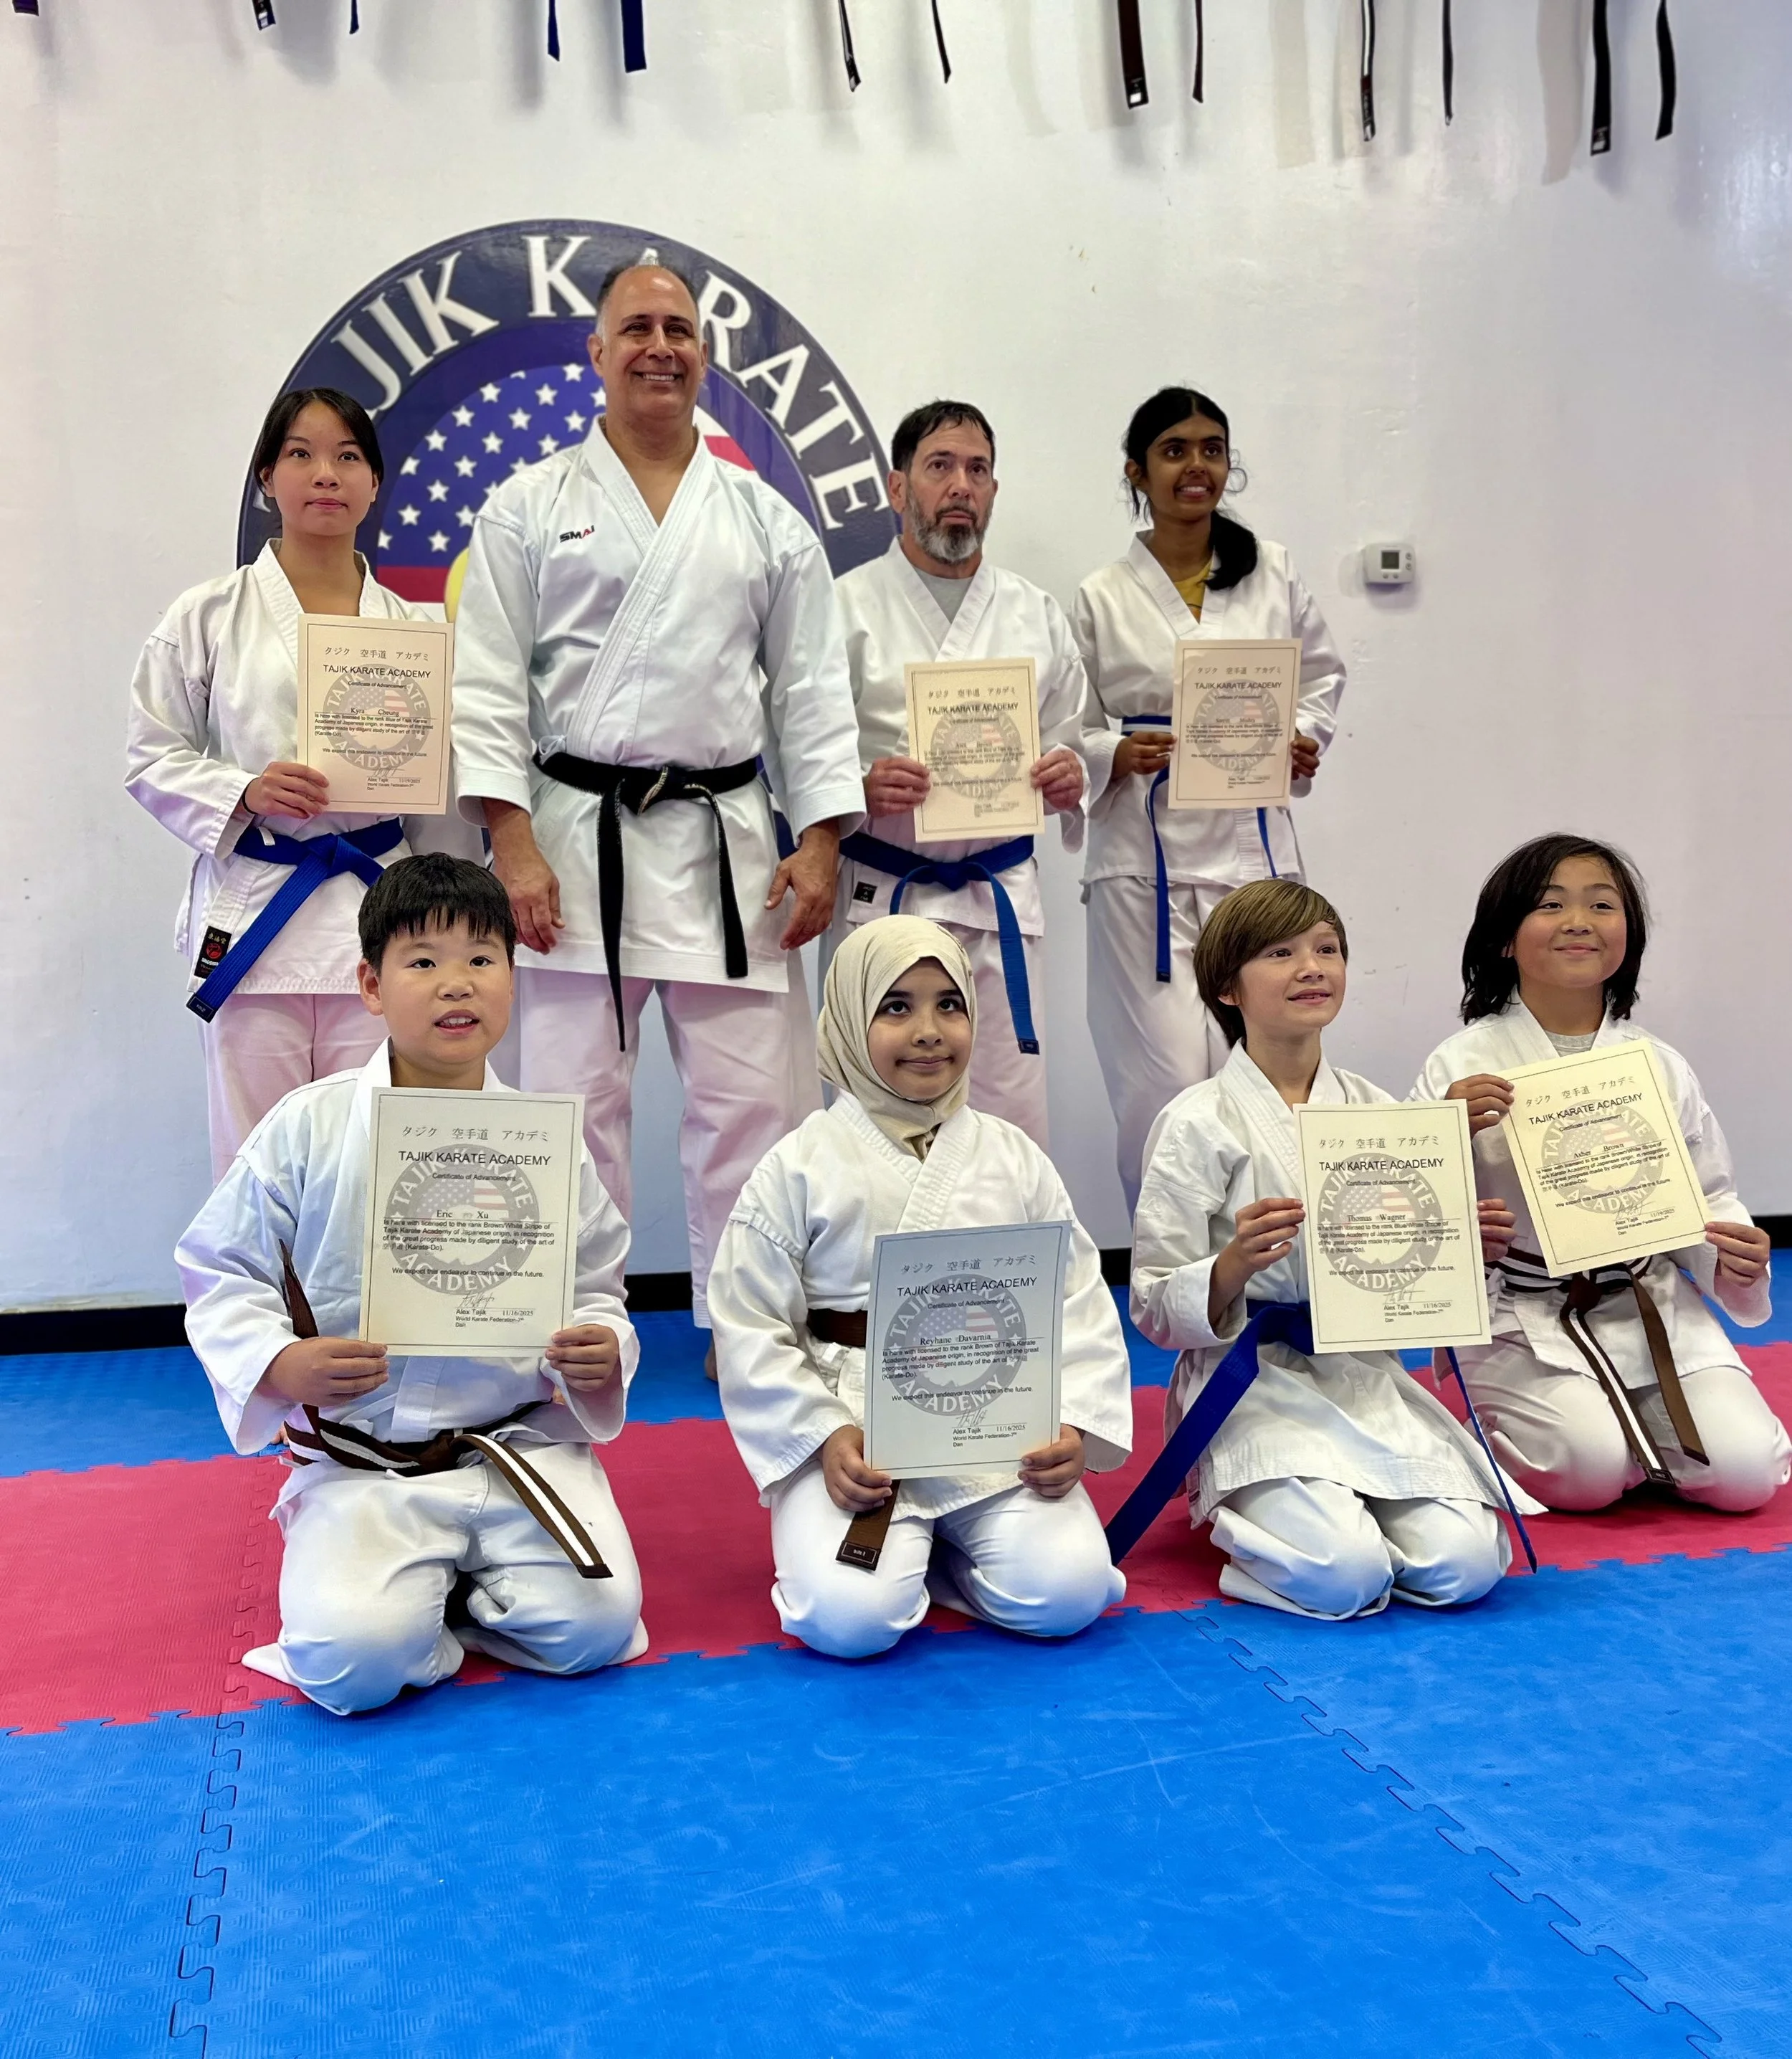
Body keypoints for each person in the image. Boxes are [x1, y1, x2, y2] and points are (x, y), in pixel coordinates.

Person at [449, 261, 864, 1342]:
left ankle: (756, 1339)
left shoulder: (764, 519)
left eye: (679, 329)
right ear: (597, 354)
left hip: (726, 853)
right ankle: (572, 1332)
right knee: (570, 1115)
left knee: (756, 1115)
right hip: (573, 849)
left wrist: (819, 845)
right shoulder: (528, 506)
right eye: (635, 327)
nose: (659, 346)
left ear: (706, 358)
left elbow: (815, 690)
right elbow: (487, 680)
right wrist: (512, 842)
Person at [177, 854, 647, 1716]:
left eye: (481, 958)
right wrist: (281, 1364)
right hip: (365, 1466)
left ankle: (447, 1594)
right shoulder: (307, 1126)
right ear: (369, 984)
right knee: (349, 1665)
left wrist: (599, 1348)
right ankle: (411, 1608)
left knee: (599, 1630)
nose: (454, 984)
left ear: (512, 978)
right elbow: (220, 1266)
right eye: (422, 961)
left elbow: (596, 1286)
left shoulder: (544, 1140)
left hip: (513, 1452)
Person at [707, 915, 1133, 1660]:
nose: (929, 1030)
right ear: (845, 1019)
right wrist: (821, 1436)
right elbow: (749, 1321)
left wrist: (1073, 1421)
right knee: (848, 1621)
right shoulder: (799, 1163)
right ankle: (877, 1552)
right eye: (896, 1007)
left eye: (949, 1004)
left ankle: (946, 1565)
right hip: (857, 1424)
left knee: (1069, 1593)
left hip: (993, 1411)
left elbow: (1077, 1300)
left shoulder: (1014, 1156)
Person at [1131, 880, 1514, 1620]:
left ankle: (1352, 1518)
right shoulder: (1195, 1122)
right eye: (1280, 953)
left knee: (1464, 1566)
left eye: (1326, 949)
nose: (1311, 966)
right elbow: (1151, 1302)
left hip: (1361, 1373)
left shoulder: (1377, 1111)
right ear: (1227, 988)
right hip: (1250, 1381)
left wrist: (1468, 1253)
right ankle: (1293, 1532)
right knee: (1341, 1575)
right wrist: (1232, 1264)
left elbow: (1409, 1280)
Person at [1413, 834, 1790, 1514]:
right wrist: (1440, 1134)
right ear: (1504, 939)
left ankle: (1642, 1432)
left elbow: (1710, 1195)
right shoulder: (1458, 1066)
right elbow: (1410, 1208)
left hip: (1646, 1297)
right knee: (1587, 1474)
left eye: (1602, 904)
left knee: (1745, 1475)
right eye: (1551, 905)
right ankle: (1491, 1425)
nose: (1579, 921)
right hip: (1521, 1309)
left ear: (1629, 935)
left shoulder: (1658, 1064)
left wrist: (1735, 1256)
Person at [126, 389, 444, 1177]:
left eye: (347, 456)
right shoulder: (208, 614)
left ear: (374, 482)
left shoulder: (418, 631)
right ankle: (250, 1306)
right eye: (300, 454)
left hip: (378, 918)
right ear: (267, 476)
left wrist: (444, 917)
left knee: (373, 1156)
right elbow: (149, 753)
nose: (324, 474)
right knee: (252, 1161)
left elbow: (443, 806)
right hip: (256, 914)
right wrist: (243, 792)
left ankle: (360, 1309)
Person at [1074, 388, 1348, 1210]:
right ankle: (1173, 1271)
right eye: (1174, 450)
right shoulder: (1099, 595)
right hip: (1142, 869)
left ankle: (1285, 1258)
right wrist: (1114, 750)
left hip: (1253, 857)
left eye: (1211, 448)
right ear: (1138, 471)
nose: (1196, 466)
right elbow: (1066, 722)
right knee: (1162, 1081)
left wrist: (1303, 737)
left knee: (1277, 1067)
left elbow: (1322, 675)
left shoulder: (1273, 568)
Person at [829, 401, 1089, 1146]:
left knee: (1009, 1114)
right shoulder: (843, 607)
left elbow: (1074, 738)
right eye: (940, 466)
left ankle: (1011, 1265)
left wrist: (1073, 778)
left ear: (993, 490)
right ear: (897, 487)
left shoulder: (1032, 611)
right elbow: (798, 750)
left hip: (997, 895)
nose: (960, 485)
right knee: (877, 1119)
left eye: (977, 470)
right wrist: (857, 783)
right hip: (885, 893)